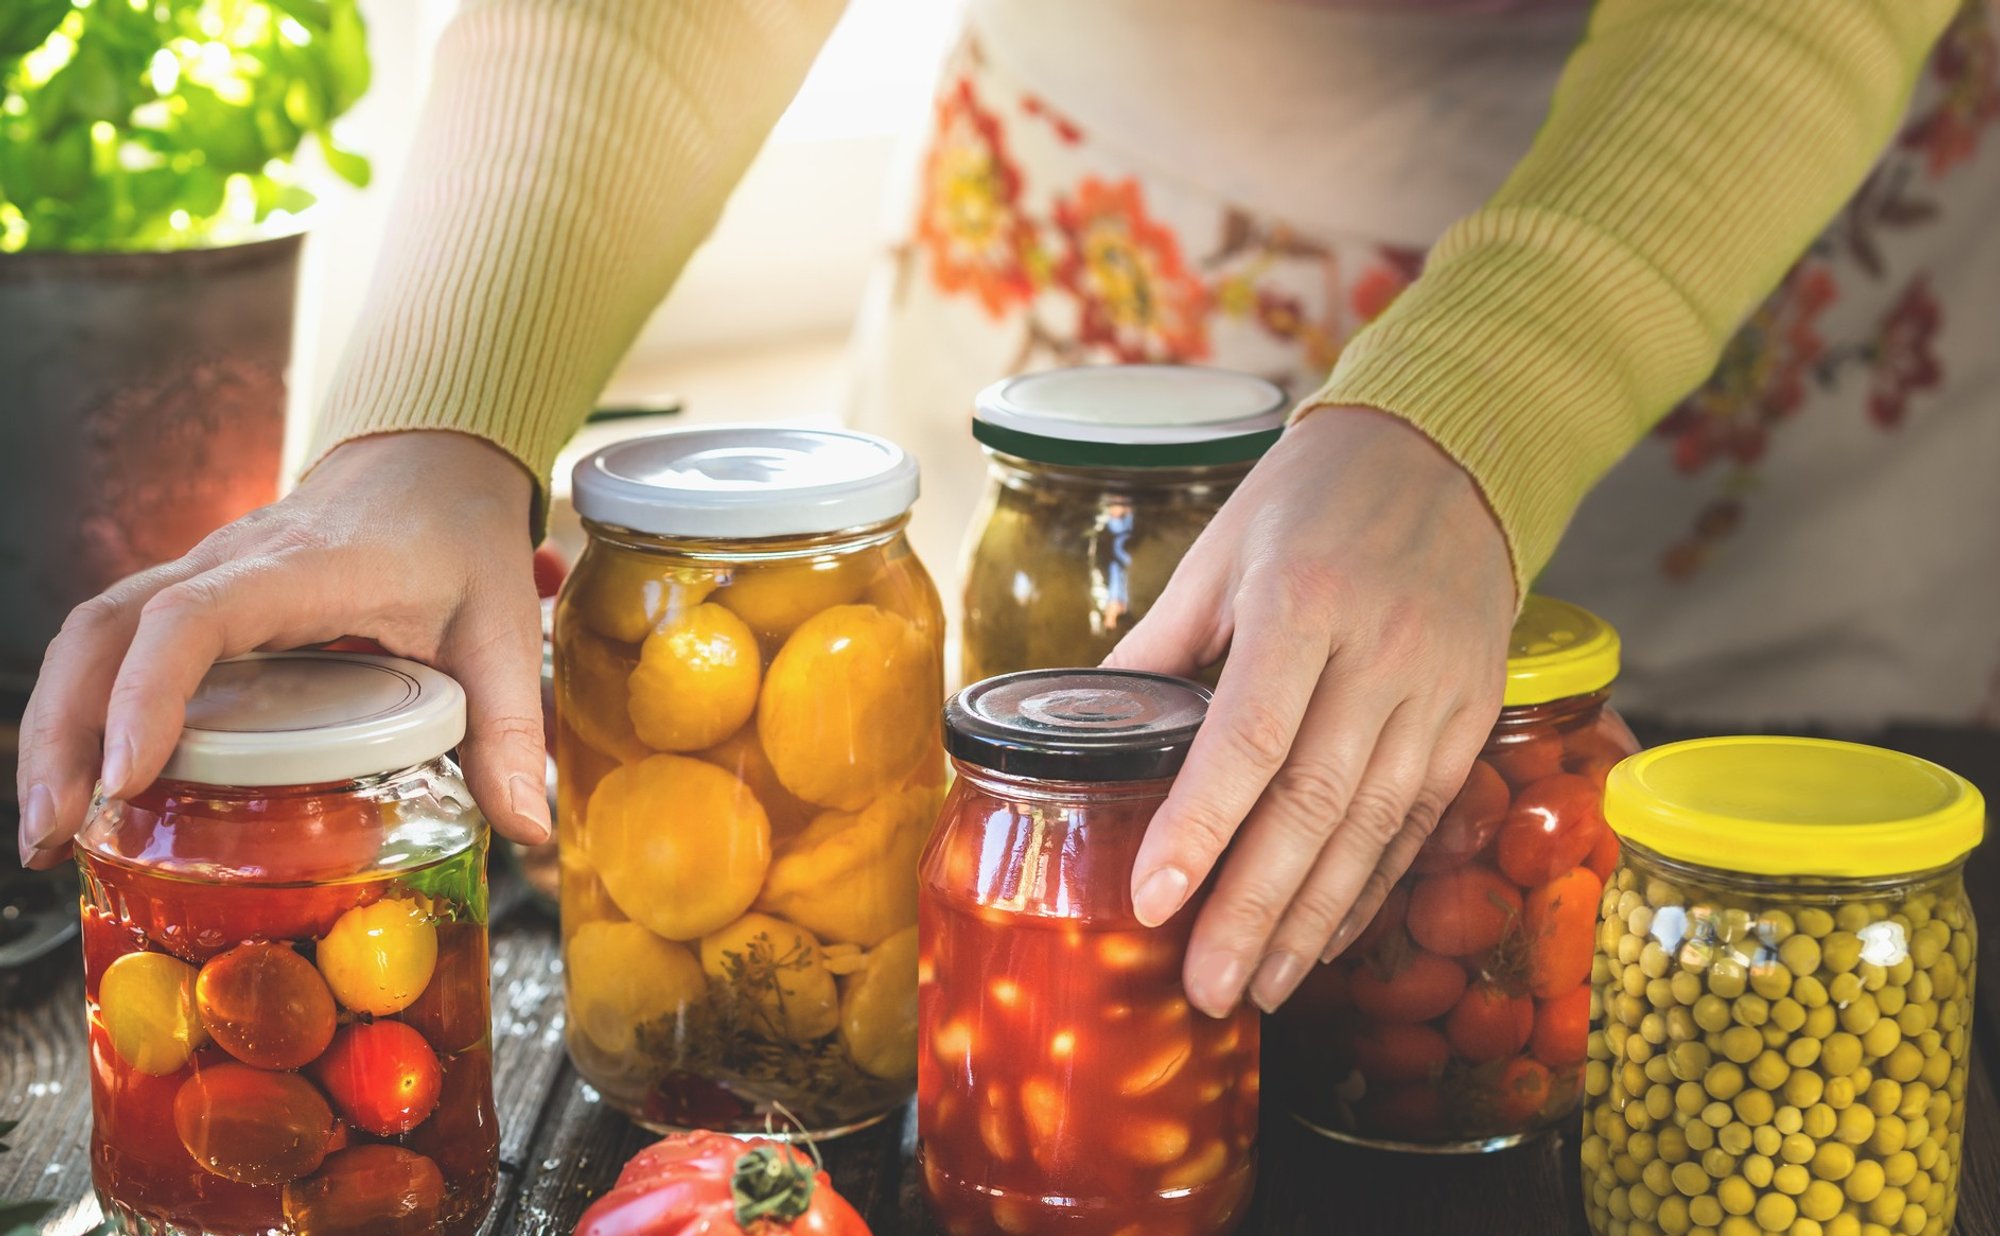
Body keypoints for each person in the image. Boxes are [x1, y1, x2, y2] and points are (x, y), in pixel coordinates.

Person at [19, 0, 1989, 1026]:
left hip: (1768, 274)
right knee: (1071, 881)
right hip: (1109, 273)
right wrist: (420, 433)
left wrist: (1477, 418)